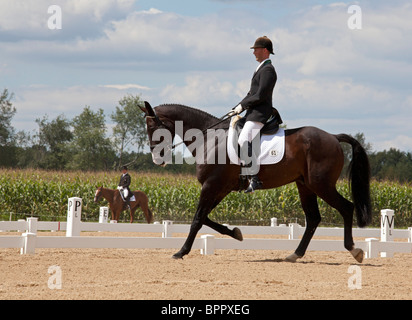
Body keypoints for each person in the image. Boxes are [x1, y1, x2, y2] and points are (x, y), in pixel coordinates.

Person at [230, 36, 278, 193]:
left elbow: (260, 95)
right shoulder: (260, 69)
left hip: (260, 113)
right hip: (252, 112)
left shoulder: (268, 70)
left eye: (256, 49)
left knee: (244, 139)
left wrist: (243, 106)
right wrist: (237, 106)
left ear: (265, 51)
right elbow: (251, 93)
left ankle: (255, 179)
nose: (253, 53)